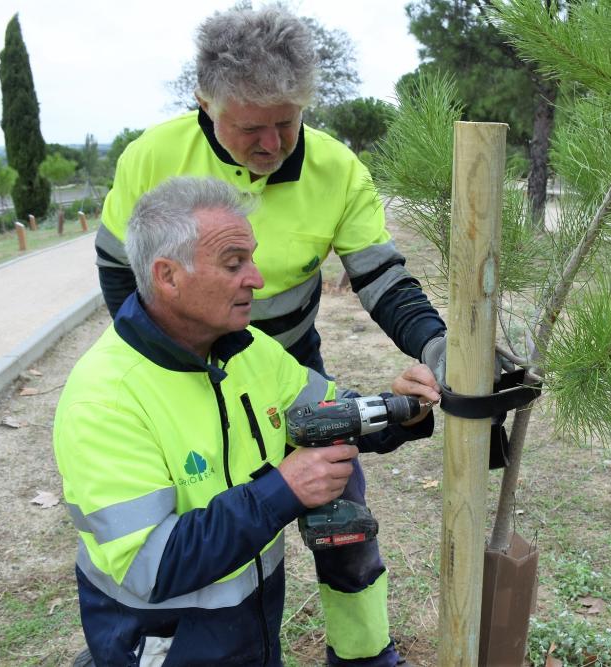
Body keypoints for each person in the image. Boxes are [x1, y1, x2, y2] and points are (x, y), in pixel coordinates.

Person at [94, 6, 449, 665]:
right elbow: (120, 265)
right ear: (206, 103)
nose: (271, 143)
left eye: (287, 123)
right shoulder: (153, 157)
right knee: (203, 528)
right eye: (251, 127)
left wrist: (433, 349)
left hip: (285, 360)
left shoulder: (338, 169)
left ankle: (365, 651)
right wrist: (154, 359)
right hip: (182, 372)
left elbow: (383, 280)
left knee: (345, 518)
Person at [57, 176, 440, 666]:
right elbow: (149, 566)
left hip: (248, 633)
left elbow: (332, 413)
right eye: (234, 263)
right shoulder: (104, 399)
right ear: (168, 276)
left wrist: (403, 409)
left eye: (252, 259)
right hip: (164, 647)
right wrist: (284, 490)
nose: (257, 279)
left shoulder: (249, 351)